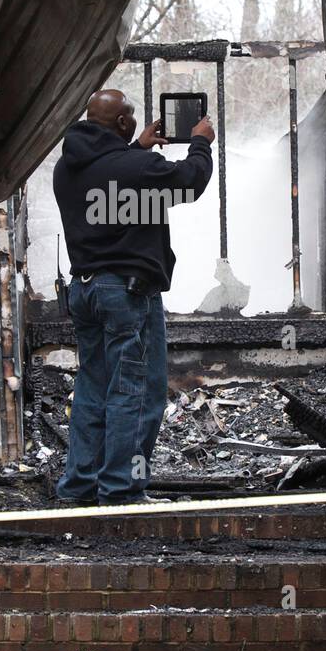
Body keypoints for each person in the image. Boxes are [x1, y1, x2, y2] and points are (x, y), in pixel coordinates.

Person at [53, 88, 215, 504]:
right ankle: (122, 489)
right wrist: (200, 141)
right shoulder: (138, 167)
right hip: (126, 294)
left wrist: (134, 147)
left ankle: (80, 487)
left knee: (92, 389)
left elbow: (108, 172)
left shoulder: (65, 168)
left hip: (84, 290)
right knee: (135, 392)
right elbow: (190, 181)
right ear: (123, 123)